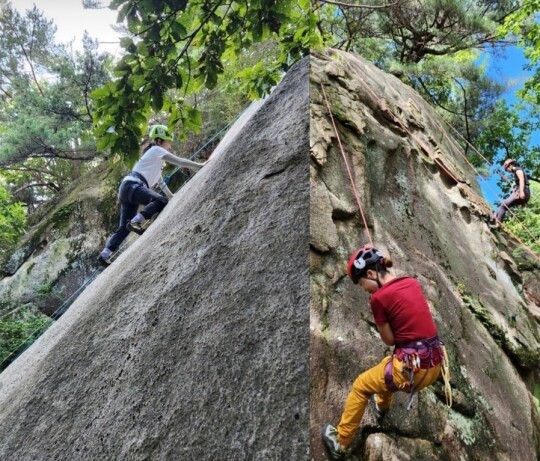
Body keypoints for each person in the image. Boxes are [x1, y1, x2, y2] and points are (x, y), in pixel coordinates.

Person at [321, 245, 447, 461]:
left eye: (362, 283)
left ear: (370, 273)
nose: (363, 288)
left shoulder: (378, 299)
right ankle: (382, 407)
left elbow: (389, 339)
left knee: (361, 386)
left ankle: (340, 442)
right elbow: (388, 261)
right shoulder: (411, 283)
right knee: (385, 369)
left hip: (410, 371)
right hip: (434, 366)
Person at [98, 124, 206, 266]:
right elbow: (180, 162)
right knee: (160, 200)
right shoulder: (156, 150)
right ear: (159, 141)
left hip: (127, 188)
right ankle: (136, 221)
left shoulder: (154, 161)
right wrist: (200, 166)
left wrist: (171, 196)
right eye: (168, 141)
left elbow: (161, 183)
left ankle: (104, 255)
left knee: (124, 227)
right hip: (133, 185)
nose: (170, 145)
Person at [494, 158, 530, 224]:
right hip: (524, 192)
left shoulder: (517, 169)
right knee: (504, 205)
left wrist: (521, 192)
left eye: (506, 169)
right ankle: (495, 216)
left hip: (522, 191)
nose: (508, 171)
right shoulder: (517, 171)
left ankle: (497, 223)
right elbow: (520, 183)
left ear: (509, 165)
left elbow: (522, 180)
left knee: (503, 206)